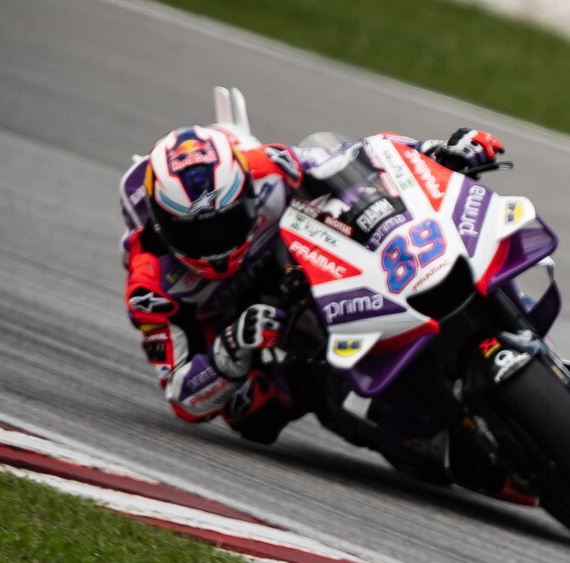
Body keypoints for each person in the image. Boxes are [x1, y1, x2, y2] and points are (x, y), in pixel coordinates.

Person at [116, 124, 506, 443]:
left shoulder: (267, 168)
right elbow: (182, 396)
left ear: (246, 192)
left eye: (226, 222)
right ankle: (394, 429)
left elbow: (361, 156)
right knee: (254, 411)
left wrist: (436, 152)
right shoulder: (150, 286)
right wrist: (232, 346)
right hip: (240, 327)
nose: (215, 245)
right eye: (197, 234)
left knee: (372, 209)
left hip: (298, 262)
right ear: (163, 227)